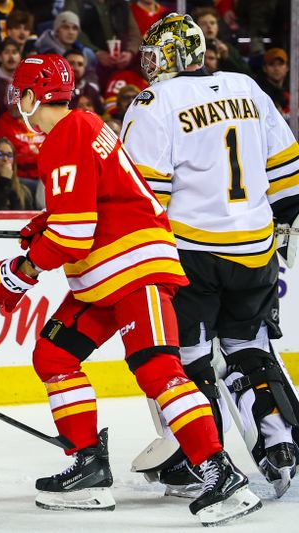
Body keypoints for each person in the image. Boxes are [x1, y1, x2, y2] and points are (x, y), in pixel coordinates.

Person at [0, 53, 261, 525]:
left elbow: (73, 235)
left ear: (30, 95)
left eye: (20, 93)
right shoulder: (86, 124)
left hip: (133, 268)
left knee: (158, 369)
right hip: (105, 274)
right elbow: (100, 199)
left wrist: (20, 271)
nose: (18, 102)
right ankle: (88, 466)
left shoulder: (65, 136)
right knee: (54, 355)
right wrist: (46, 225)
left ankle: (218, 472)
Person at [122, 13, 299, 499]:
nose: (150, 62)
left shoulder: (152, 102)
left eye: (155, 53)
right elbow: (287, 173)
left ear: (171, 56)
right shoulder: (246, 86)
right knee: (249, 348)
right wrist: (280, 225)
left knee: (189, 358)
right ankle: (279, 443)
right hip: (256, 250)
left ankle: (201, 462)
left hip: (190, 255)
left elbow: (142, 198)